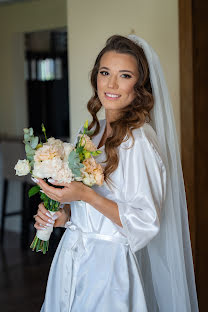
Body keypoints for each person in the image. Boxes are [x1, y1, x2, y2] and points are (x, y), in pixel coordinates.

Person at [33, 35, 199, 311]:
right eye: (105, 73)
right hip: (71, 257)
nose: (111, 84)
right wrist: (66, 216)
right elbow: (91, 211)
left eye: (124, 75)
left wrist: (85, 195)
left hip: (108, 269)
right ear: (95, 77)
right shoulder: (91, 131)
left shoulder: (139, 141)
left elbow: (146, 222)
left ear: (140, 85)